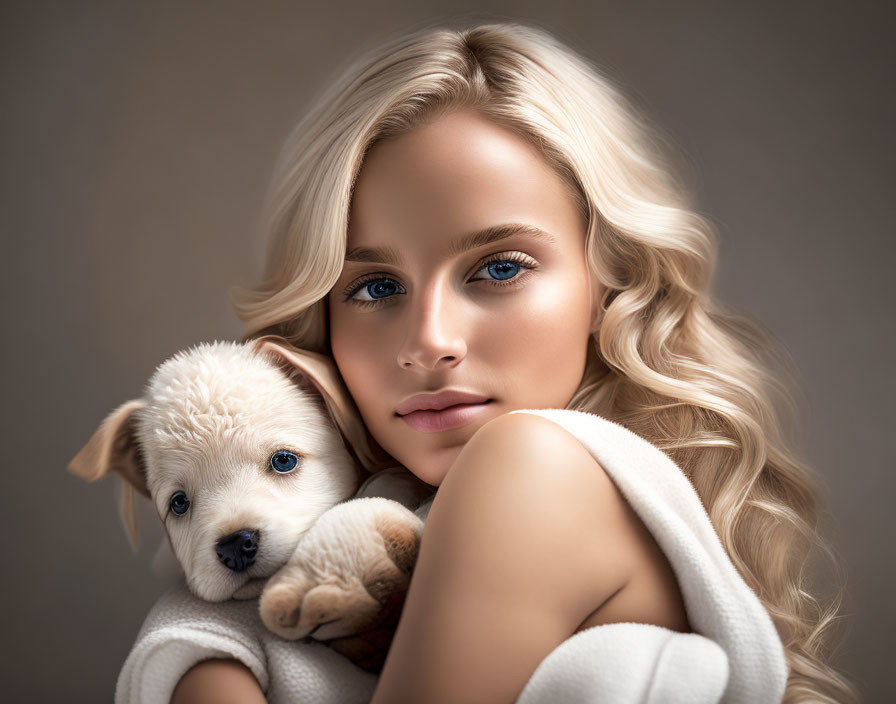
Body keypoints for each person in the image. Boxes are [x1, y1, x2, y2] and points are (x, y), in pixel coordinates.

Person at [169, 20, 856, 703]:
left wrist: (202, 674)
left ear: (608, 286)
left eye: (499, 268)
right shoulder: (389, 518)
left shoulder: (530, 463)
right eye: (376, 287)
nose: (428, 341)